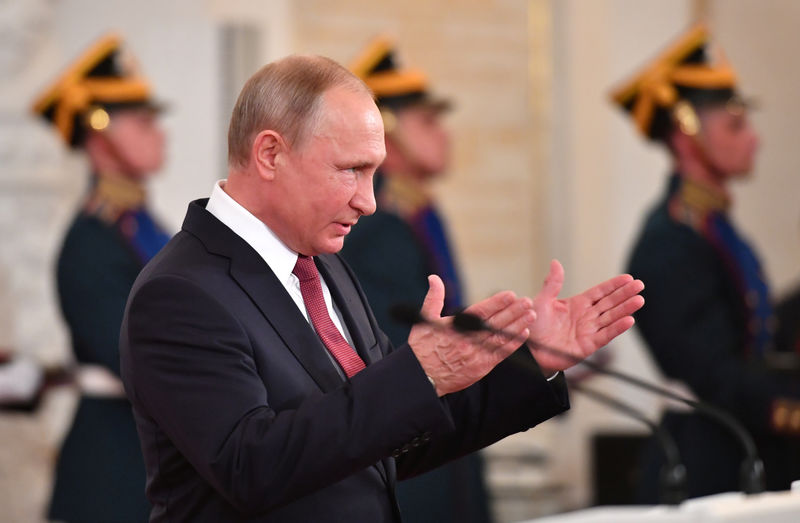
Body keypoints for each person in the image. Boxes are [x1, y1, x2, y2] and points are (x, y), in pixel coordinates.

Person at [119, 53, 644, 522]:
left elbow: (389, 438)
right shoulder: (181, 293)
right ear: (271, 154)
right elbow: (251, 467)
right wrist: (419, 373)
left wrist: (534, 361)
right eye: (351, 171)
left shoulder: (324, 265)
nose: (368, 202)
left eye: (374, 174)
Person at [610, 23, 800, 502]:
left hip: (743, 448)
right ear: (685, 134)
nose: (753, 140)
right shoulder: (670, 241)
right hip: (709, 462)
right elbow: (714, 371)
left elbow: (753, 333)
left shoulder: (713, 226)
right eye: (735, 125)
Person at [341, 36, 491, 522]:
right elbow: (398, 349)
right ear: (385, 131)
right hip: (416, 440)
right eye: (427, 121)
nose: (444, 134)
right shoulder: (378, 227)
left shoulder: (418, 215)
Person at [31, 33, 169, 521]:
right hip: (112, 478)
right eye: (143, 121)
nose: (160, 133)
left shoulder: (144, 227)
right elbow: (143, 360)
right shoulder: (92, 241)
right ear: (99, 131)